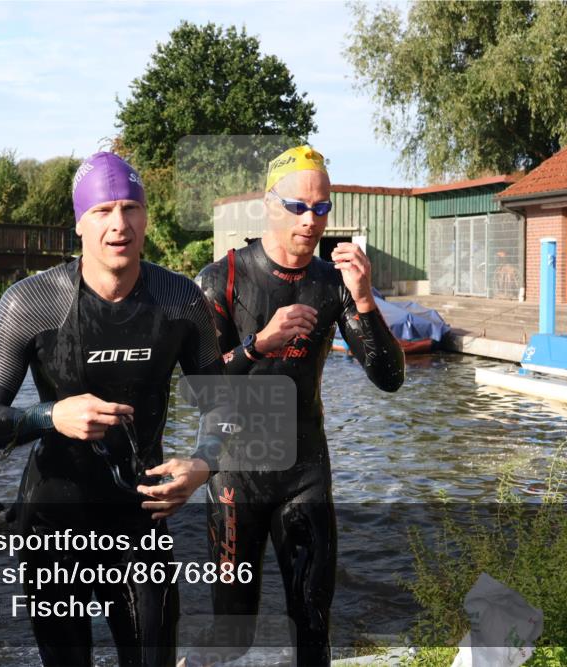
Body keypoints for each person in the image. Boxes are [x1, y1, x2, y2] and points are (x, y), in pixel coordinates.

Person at [0, 152, 232, 666]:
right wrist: (50, 415)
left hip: (140, 519)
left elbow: (224, 406)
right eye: (103, 210)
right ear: (80, 223)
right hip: (52, 522)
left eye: (130, 208)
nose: (119, 224)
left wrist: (201, 465)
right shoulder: (31, 303)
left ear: (146, 217)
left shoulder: (180, 301)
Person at [193, 145, 405, 666]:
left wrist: (364, 298)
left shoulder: (331, 284)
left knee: (312, 626)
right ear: (269, 204)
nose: (311, 221)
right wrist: (257, 344)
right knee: (233, 634)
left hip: (304, 472)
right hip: (234, 477)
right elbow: (201, 388)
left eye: (323, 208)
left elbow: (389, 378)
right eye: (299, 207)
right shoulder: (221, 280)